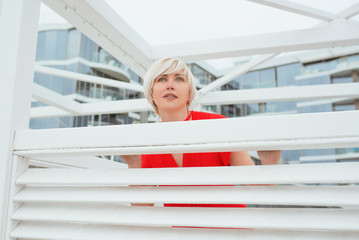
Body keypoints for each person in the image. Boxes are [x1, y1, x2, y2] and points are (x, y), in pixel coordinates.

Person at [121, 57, 281, 207]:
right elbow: (142, 208)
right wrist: (134, 165)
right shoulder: (147, 143)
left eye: (179, 79)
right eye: (162, 79)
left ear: (189, 94)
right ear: (151, 94)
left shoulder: (218, 126)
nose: (170, 85)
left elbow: (257, 190)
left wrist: (270, 164)